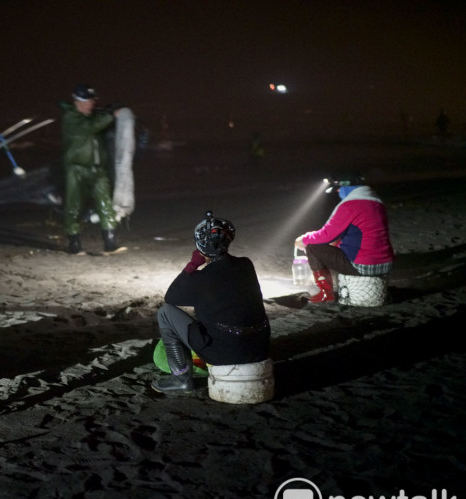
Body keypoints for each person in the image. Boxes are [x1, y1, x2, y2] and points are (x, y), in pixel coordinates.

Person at [152, 212, 270, 393]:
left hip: (222, 353)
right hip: (259, 348)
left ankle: (180, 379)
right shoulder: (246, 265)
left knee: (165, 314)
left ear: (199, 246)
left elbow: (171, 298)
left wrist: (192, 266)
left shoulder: (201, 278)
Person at [295, 174, 394, 303]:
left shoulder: (350, 205)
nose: (337, 192)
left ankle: (326, 294)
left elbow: (327, 235)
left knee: (313, 248)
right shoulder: (376, 202)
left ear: (346, 187)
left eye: (338, 189)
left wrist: (303, 240)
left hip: (362, 265)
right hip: (385, 264)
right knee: (334, 244)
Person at [59, 83, 125, 255]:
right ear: (76, 101)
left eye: (92, 100)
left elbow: (100, 125)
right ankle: (74, 243)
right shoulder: (70, 118)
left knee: (105, 203)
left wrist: (111, 113)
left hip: (98, 169)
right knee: (74, 205)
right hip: (76, 168)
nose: (90, 104)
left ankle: (110, 243)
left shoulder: (95, 116)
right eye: (86, 100)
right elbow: (90, 127)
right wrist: (111, 115)